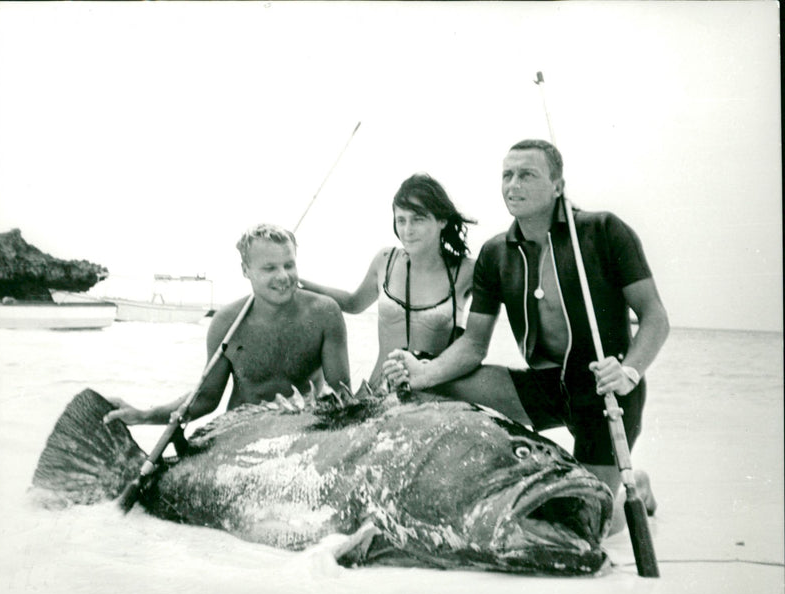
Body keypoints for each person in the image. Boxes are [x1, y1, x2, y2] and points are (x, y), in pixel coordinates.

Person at [383, 140, 669, 534]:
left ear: (557, 185)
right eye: (507, 175)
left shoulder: (603, 230)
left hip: (605, 392)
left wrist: (629, 372)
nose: (513, 184)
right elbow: (473, 344)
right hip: (543, 387)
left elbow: (655, 317)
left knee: (581, 525)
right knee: (442, 385)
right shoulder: (497, 252)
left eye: (527, 174)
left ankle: (630, 492)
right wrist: (424, 374)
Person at [104, 223, 351, 427]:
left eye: (289, 265)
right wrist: (144, 415)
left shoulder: (324, 313)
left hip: (301, 431)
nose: (283, 276)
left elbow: (342, 395)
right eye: (269, 268)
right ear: (246, 270)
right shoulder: (226, 323)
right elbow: (207, 399)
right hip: (238, 433)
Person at [299, 173, 476, 387]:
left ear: (442, 220)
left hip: (434, 390)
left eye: (418, 219)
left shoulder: (466, 271)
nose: (407, 230)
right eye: (401, 220)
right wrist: (301, 285)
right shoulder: (386, 260)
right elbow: (353, 303)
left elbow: (478, 340)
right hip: (378, 388)